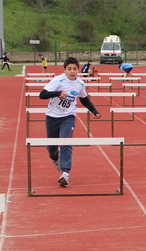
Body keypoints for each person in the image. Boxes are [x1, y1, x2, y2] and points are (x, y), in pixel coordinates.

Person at [39, 56, 101, 187]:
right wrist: (57, 93)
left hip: (68, 117)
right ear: (65, 69)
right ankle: (55, 158)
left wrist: (94, 110)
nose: (72, 71)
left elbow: (84, 99)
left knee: (66, 142)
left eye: (74, 69)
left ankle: (65, 173)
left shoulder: (80, 83)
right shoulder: (58, 80)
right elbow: (42, 95)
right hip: (52, 117)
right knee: (52, 149)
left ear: (78, 70)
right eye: (69, 69)